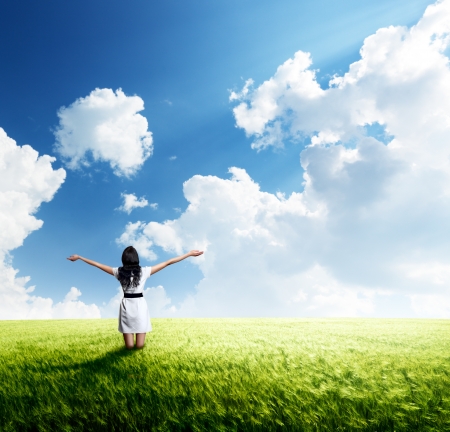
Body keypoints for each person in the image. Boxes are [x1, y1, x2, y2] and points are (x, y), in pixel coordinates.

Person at [67, 246, 203, 349]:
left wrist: (80, 257)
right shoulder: (143, 271)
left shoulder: (118, 272)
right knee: (138, 347)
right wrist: (189, 254)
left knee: (130, 347)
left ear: (123, 259)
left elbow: (97, 264)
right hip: (140, 306)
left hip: (127, 306)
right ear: (136, 259)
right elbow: (168, 262)